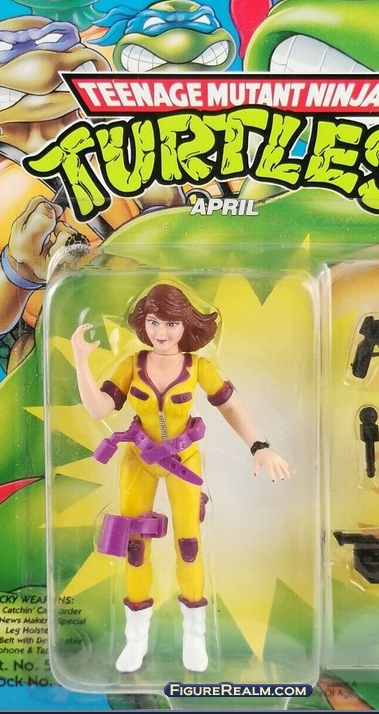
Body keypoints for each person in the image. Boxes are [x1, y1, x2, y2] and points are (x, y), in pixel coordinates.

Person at [71, 283, 289, 673]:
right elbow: (98, 408)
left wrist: (259, 445)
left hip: (183, 460)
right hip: (138, 459)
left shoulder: (199, 367)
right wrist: (80, 360)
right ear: (144, 322)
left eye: (171, 323)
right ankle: (135, 638)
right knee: (135, 547)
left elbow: (231, 406)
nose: (162, 332)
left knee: (188, 544)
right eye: (154, 321)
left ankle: (195, 634)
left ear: (186, 325)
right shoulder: (131, 364)